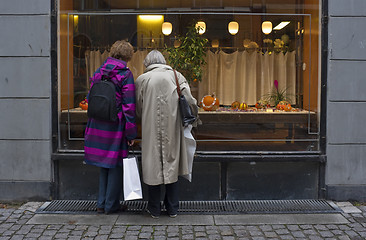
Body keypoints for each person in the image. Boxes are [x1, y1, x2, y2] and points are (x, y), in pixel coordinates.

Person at [135, 50, 198, 218]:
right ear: (163, 61)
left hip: (150, 129)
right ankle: (173, 208)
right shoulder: (176, 76)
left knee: (152, 165)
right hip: (173, 128)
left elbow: (138, 108)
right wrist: (194, 119)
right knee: (172, 165)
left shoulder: (142, 80)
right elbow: (190, 102)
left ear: (147, 63)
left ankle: (154, 208)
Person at [84, 40, 137, 214]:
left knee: (104, 164)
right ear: (128, 56)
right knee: (115, 164)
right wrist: (131, 134)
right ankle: (111, 204)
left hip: (98, 123)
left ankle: (101, 203)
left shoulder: (99, 71)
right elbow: (129, 106)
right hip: (116, 125)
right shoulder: (125, 74)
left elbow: (90, 96)